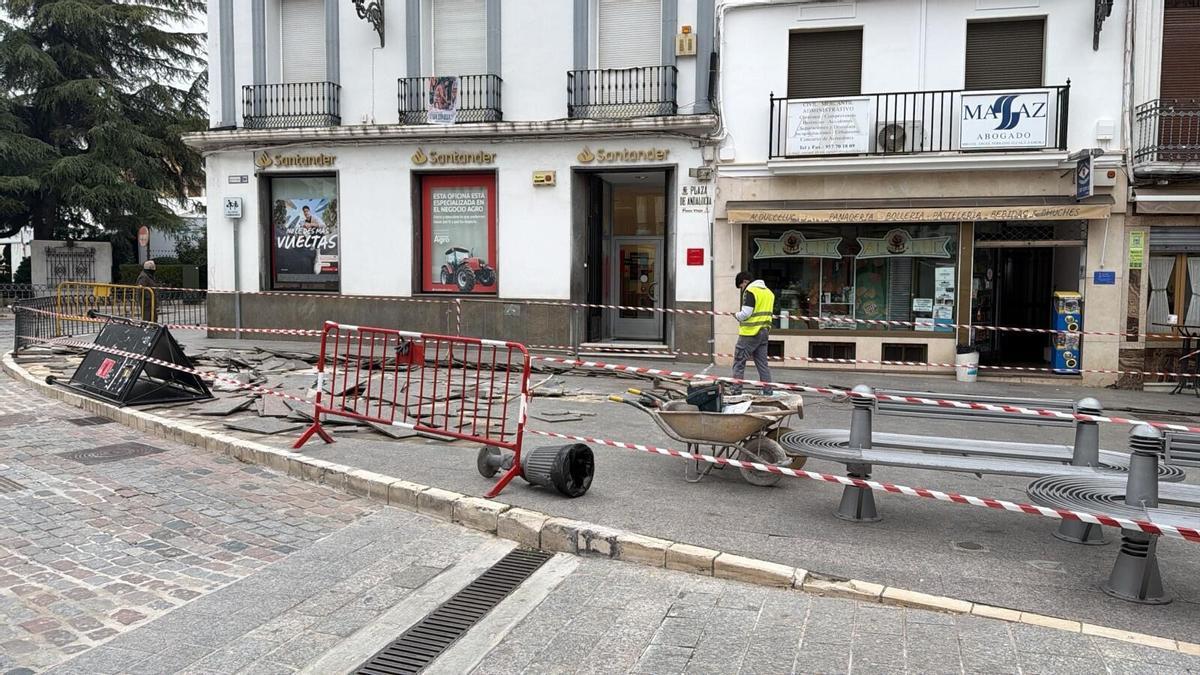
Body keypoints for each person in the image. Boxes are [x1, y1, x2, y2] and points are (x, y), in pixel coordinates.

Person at [732, 271, 775, 395]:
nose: (742, 289)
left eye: (741, 286)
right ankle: (768, 391)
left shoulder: (751, 291)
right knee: (763, 364)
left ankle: (736, 391)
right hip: (764, 332)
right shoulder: (769, 293)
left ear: (745, 281)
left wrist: (736, 315)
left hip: (749, 334)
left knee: (739, 362)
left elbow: (746, 313)